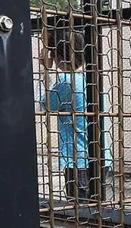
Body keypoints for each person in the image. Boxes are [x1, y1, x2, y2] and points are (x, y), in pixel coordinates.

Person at [40, 28, 100, 201]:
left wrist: (45, 69)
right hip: (99, 156)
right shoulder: (92, 79)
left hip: (78, 161)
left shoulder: (67, 82)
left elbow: (44, 104)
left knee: (80, 215)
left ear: (56, 55)